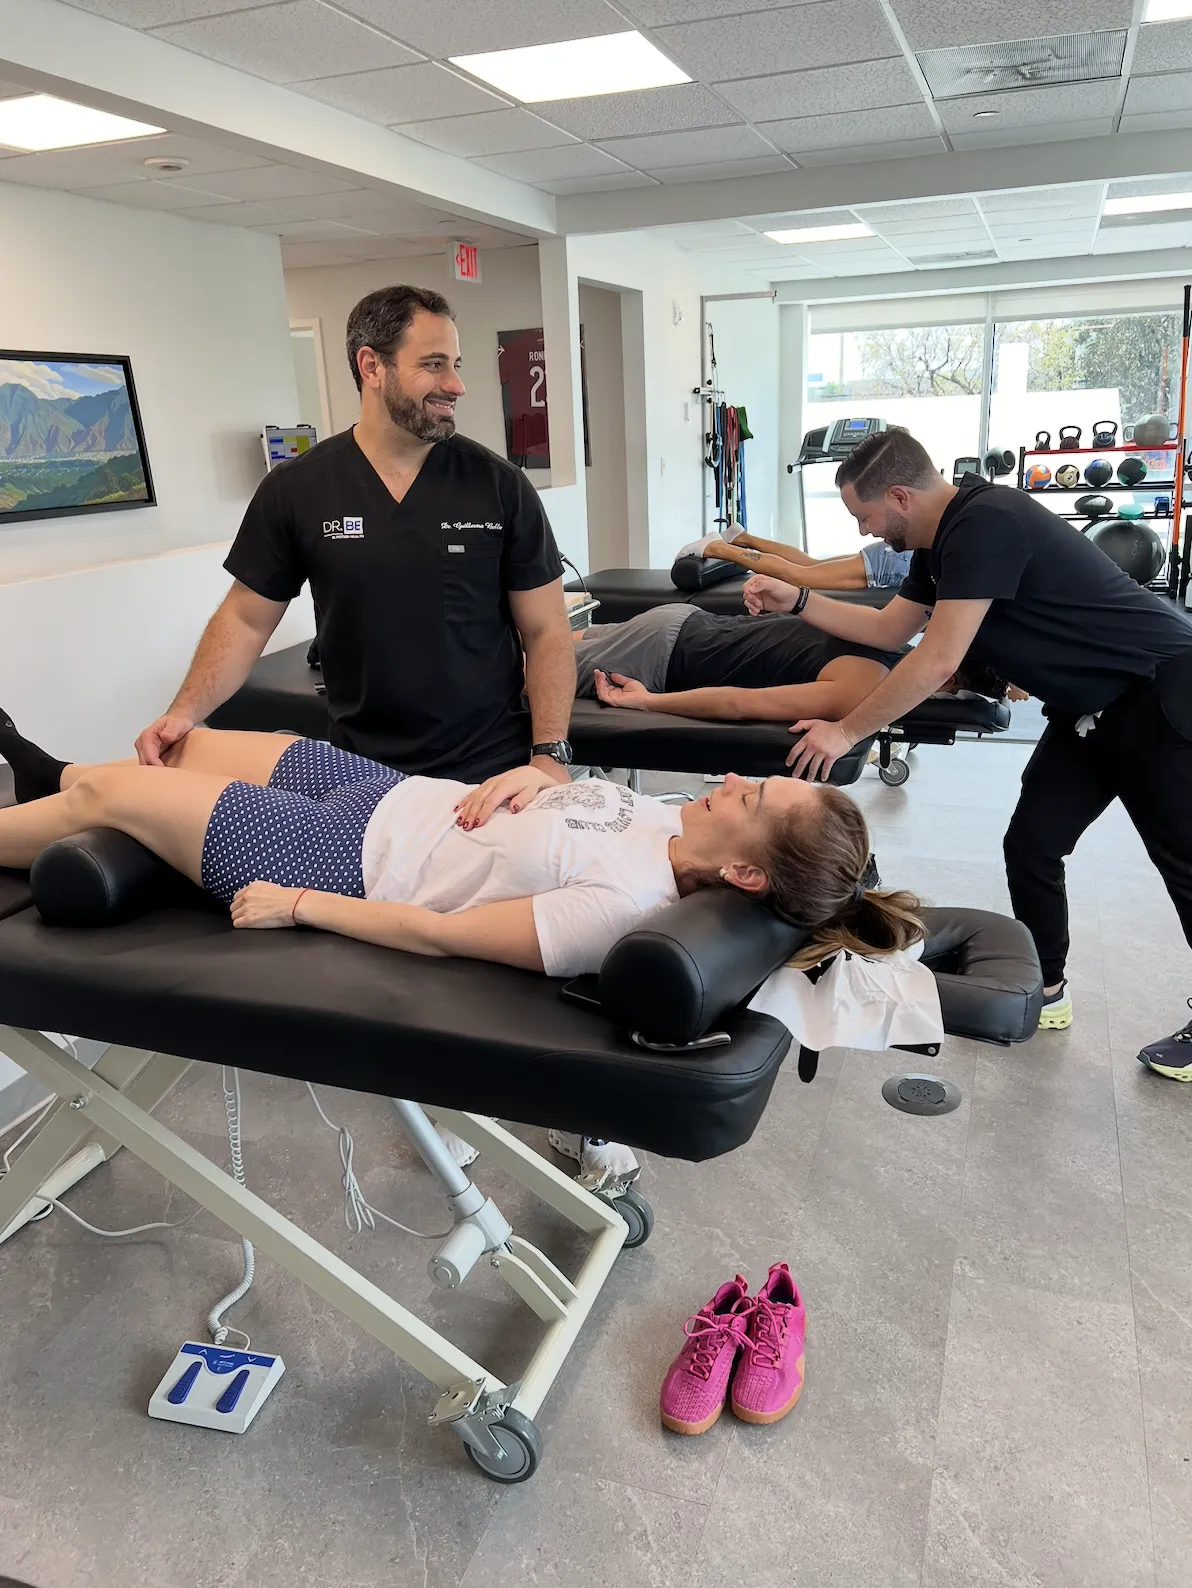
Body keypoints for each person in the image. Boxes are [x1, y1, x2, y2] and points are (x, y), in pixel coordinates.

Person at [750, 425, 1192, 1076]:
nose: (867, 533)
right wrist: (799, 598)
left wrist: (846, 731)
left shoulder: (986, 521)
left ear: (899, 496)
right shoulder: (938, 544)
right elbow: (886, 629)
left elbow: (935, 659)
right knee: (1033, 843)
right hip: (1090, 711)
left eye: (865, 516)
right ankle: (1047, 989)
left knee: (1183, 868)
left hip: (1160, 698)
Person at [0, 715, 923, 981]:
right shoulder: (675, 822)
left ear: (747, 872)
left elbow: (442, 935)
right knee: (190, 743)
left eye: (752, 795)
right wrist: (549, 781)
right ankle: (42, 765)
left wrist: (301, 904)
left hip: (342, 856)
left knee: (112, 794)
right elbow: (578, 813)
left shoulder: (617, 911)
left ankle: (42, 790)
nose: (734, 783)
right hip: (391, 793)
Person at [135, 284, 576, 787]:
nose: (456, 385)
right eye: (434, 365)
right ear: (371, 367)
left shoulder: (498, 486)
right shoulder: (298, 489)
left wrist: (550, 755)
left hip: (490, 769)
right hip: (360, 776)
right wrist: (183, 713)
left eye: (456, 364)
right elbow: (245, 619)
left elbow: (546, 631)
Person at [571, 603, 1006, 724]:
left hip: (684, 621)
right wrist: (647, 703)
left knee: (553, 641)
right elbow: (740, 705)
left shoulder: (888, 638)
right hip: (663, 658)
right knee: (532, 672)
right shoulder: (868, 686)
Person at [678, 524, 912, 591]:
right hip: (895, 563)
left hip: (894, 558)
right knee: (801, 577)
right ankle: (718, 548)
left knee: (811, 566)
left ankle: (742, 538)